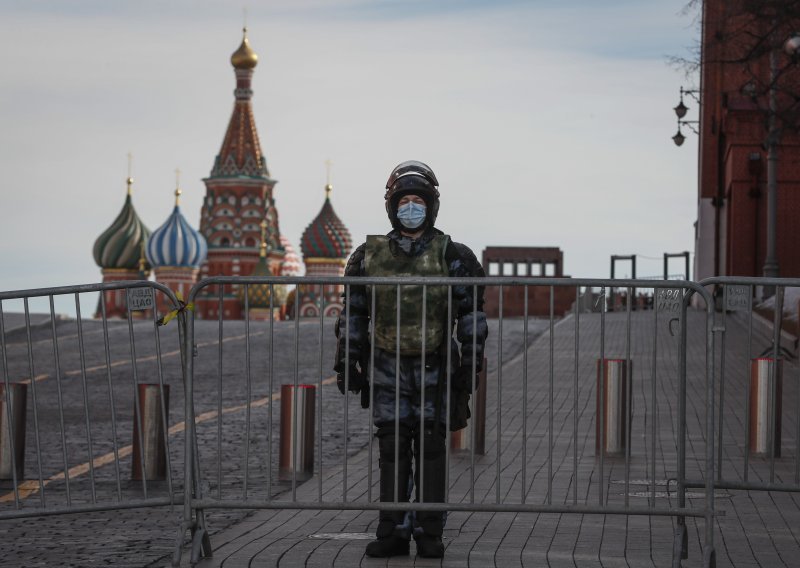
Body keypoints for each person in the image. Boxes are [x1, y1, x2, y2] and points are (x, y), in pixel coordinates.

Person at [334, 160, 488, 558]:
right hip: (387, 365)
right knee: (393, 446)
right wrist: (347, 356)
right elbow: (353, 312)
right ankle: (393, 529)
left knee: (431, 446)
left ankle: (430, 530)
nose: (411, 207)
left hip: (435, 365)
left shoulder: (454, 255)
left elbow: (472, 315)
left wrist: (471, 361)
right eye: (406, 201)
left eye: (419, 201)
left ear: (432, 206)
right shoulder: (368, 257)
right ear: (393, 206)